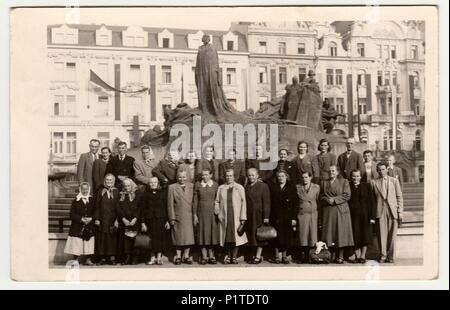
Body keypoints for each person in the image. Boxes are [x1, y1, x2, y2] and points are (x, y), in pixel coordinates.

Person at [195, 34, 238, 121]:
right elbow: (197, 63)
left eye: (207, 38)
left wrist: (217, 75)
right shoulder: (200, 49)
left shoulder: (212, 48)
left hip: (211, 72)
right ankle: (204, 110)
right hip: (202, 73)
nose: (206, 39)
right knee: (203, 92)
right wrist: (197, 74)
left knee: (213, 91)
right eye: (204, 38)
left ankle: (215, 111)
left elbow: (216, 62)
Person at [320, 165, 354, 264]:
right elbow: (321, 195)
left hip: (340, 210)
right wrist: (326, 199)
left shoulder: (344, 181)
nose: (331, 173)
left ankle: (341, 256)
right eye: (330, 171)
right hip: (328, 210)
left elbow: (347, 195)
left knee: (340, 232)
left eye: (333, 171)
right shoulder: (324, 182)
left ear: (337, 172)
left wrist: (334, 200)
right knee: (330, 233)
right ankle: (331, 255)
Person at [372, 162, 403, 263]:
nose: (381, 172)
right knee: (381, 234)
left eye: (383, 169)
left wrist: (400, 212)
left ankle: (391, 256)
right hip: (380, 210)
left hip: (392, 210)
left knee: (392, 235)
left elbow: (399, 197)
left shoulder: (394, 181)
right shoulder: (374, 182)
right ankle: (383, 255)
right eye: (379, 170)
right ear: (377, 171)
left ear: (387, 169)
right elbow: (372, 199)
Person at [215, 169, 248, 264]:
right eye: (227, 176)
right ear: (225, 177)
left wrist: (243, 217)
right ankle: (228, 256)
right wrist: (218, 212)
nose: (229, 177)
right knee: (226, 238)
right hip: (225, 216)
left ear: (234, 177)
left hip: (236, 216)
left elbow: (243, 203)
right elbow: (217, 201)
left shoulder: (239, 188)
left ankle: (234, 257)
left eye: (231, 176)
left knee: (235, 237)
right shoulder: (221, 188)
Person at [269, 170, 298, 264]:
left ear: (286, 177)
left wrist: (294, 218)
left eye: (282, 176)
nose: (280, 178)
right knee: (276, 236)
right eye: (279, 176)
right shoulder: (273, 187)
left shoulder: (291, 188)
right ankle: (277, 256)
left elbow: (295, 204)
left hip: (287, 216)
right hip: (276, 216)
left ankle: (284, 256)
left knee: (286, 236)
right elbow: (271, 203)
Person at [140, 177, 171, 265]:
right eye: (151, 182)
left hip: (161, 219)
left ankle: (159, 257)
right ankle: (152, 257)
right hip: (149, 219)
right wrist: (142, 223)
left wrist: (167, 221)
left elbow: (166, 207)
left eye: (155, 182)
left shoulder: (162, 193)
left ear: (158, 183)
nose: (153, 184)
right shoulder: (145, 194)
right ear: (149, 184)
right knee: (151, 239)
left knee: (160, 238)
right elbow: (142, 209)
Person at [167, 170, 195, 265]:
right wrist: (172, 218)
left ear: (186, 177)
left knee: (188, 237)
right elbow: (170, 204)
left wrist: (195, 215)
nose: (182, 179)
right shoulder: (172, 187)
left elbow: (194, 202)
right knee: (178, 237)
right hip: (178, 215)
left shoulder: (191, 186)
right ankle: (178, 256)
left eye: (184, 177)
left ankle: (186, 256)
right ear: (177, 177)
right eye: (180, 177)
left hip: (188, 215)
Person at [64, 182, 95, 266]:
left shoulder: (92, 200)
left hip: (89, 225)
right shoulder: (76, 200)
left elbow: (96, 212)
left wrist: (91, 218)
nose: (85, 191)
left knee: (88, 243)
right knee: (76, 243)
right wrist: (81, 219)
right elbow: (72, 214)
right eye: (83, 189)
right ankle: (75, 259)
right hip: (77, 225)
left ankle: (88, 259)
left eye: (86, 189)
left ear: (89, 189)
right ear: (80, 189)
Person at [348, 170, 376, 264]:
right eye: (354, 176)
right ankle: (357, 255)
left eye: (357, 176)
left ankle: (363, 256)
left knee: (365, 235)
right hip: (353, 215)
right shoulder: (348, 186)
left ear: (360, 177)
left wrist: (372, 217)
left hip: (365, 215)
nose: (355, 178)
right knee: (355, 235)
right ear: (351, 177)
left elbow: (372, 202)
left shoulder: (367, 186)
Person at [193, 168, 220, 264]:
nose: (205, 176)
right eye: (203, 175)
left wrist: (218, 210)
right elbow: (195, 200)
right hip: (201, 212)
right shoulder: (198, 184)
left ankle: (211, 256)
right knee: (202, 234)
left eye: (207, 174)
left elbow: (218, 200)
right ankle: (204, 256)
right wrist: (195, 214)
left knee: (211, 234)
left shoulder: (216, 185)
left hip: (212, 213)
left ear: (211, 175)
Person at [245, 168, 271, 264]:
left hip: (259, 215)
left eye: (253, 175)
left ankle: (258, 256)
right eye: (249, 175)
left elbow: (267, 203)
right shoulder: (246, 187)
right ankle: (252, 255)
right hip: (249, 214)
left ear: (257, 175)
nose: (251, 177)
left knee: (260, 235)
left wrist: (266, 216)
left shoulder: (263, 186)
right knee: (251, 235)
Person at [94, 173, 119, 265]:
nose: (109, 182)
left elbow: (119, 207)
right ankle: (102, 258)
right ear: (105, 181)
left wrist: (117, 220)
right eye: (107, 180)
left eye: (110, 180)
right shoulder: (100, 191)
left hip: (113, 219)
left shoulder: (117, 191)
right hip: (103, 219)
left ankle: (111, 257)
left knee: (112, 239)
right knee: (102, 239)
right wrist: (97, 218)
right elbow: (97, 207)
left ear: (114, 181)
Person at [296, 171, 321, 263]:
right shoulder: (298, 187)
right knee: (302, 236)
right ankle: (302, 257)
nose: (304, 179)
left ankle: (310, 256)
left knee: (312, 235)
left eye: (306, 177)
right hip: (302, 214)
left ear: (311, 177)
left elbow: (318, 201)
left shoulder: (316, 187)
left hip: (313, 214)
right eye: (303, 177)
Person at [116, 178, 142, 265]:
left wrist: (135, 218)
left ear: (132, 185)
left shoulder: (137, 194)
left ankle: (135, 258)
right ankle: (127, 257)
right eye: (125, 186)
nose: (127, 188)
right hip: (125, 221)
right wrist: (123, 219)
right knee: (126, 240)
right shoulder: (121, 195)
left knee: (135, 240)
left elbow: (140, 208)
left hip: (135, 221)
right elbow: (118, 208)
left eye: (129, 185)